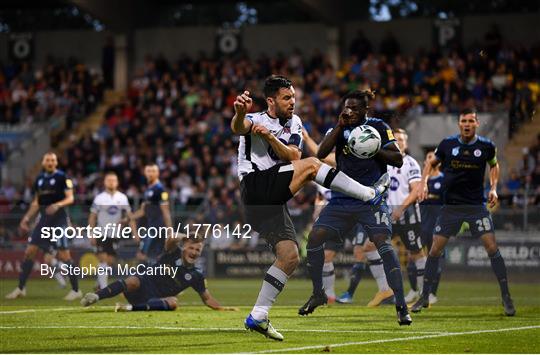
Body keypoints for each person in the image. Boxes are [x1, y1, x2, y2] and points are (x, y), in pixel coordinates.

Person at [231, 76, 390, 341]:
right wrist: (238, 113)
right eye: (286, 98)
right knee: (314, 165)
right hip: (254, 188)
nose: (292, 102)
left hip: (272, 200)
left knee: (290, 256)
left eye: (293, 97)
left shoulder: (294, 123)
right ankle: (369, 193)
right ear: (271, 101)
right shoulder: (256, 119)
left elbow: (292, 155)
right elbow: (239, 127)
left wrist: (270, 137)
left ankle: (258, 315)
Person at [298, 90, 412, 325]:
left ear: (364, 110)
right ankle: (319, 293)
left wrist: (374, 149)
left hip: (371, 199)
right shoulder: (339, 129)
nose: (349, 111)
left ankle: (401, 305)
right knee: (315, 238)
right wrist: (339, 127)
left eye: (354, 108)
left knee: (383, 244)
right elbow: (320, 153)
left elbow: (397, 159)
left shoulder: (379, 127)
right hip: (342, 198)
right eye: (346, 107)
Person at [412, 108, 516, 316]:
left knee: (492, 248)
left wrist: (494, 187)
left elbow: (494, 165)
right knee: (434, 250)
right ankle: (424, 295)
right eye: (463, 121)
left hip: (476, 207)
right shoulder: (447, 144)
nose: (467, 124)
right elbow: (431, 163)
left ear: (477, 123)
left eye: (470, 121)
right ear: (459, 124)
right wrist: (423, 184)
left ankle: (506, 296)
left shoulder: (486, 146)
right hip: (450, 207)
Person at [303, 129, 394, 307]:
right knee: (328, 255)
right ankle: (329, 296)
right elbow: (321, 163)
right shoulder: (329, 169)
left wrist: (307, 138)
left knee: (367, 248)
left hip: (362, 208)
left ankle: (385, 290)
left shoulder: (356, 157)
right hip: (339, 212)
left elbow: (319, 155)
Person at [81, 235, 237, 312]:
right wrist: (183, 237)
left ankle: (128, 308)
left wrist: (222, 308)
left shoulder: (197, 275)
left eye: (198, 250)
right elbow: (170, 240)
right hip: (141, 286)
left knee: (173, 302)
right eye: (191, 248)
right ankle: (96, 296)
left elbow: (207, 298)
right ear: (184, 248)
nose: (194, 252)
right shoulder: (173, 252)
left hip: (155, 299)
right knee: (133, 280)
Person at [5, 152, 81, 301]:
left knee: (65, 255)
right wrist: (26, 218)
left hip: (59, 219)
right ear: (43, 162)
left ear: (56, 162)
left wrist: (57, 205)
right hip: (44, 220)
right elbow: (36, 202)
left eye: (53, 160)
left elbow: (70, 198)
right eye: (48, 160)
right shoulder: (39, 179)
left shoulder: (62, 177)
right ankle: (21, 288)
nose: (50, 162)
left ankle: (76, 290)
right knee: (29, 251)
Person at [387, 128, 426, 304]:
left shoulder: (410, 163)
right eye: (396, 139)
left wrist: (400, 209)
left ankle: (423, 292)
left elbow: (416, 190)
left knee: (416, 252)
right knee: (371, 248)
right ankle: (386, 290)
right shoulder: (384, 163)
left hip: (407, 215)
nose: (399, 142)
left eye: (402, 140)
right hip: (387, 215)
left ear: (406, 143)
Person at [88, 172, 137, 289]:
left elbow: (130, 216)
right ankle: (104, 288)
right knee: (103, 259)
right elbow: (92, 217)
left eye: (113, 180)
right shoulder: (99, 198)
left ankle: (99, 282)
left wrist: (134, 232)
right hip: (101, 233)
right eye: (109, 180)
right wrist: (91, 233)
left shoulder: (122, 197)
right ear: (105, 182)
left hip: (114, 234)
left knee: (110, 261)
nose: (111, 182)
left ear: (117, 182)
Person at [129, 164, 172, 264]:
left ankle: (155, 276)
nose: (150, 174)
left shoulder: (160, 190)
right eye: (148, 171)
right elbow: (143, 210)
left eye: (153, 171)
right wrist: (129, 217)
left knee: (143, 256)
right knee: (146, 256)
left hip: (157, 229)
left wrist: (170, 231)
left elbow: (166, 211)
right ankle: (155, 276)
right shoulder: (148, 190)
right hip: (151, 228)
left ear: (158, 173)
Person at [419, 151, 445, 304]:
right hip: (421, 224)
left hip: (437, 226)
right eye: (428, 157)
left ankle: (432, 293)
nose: (429, 160)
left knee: (434, 258)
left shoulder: (444, 180)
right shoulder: (421, 181)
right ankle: (416, 290)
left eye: (432, 158)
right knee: (413, 257)